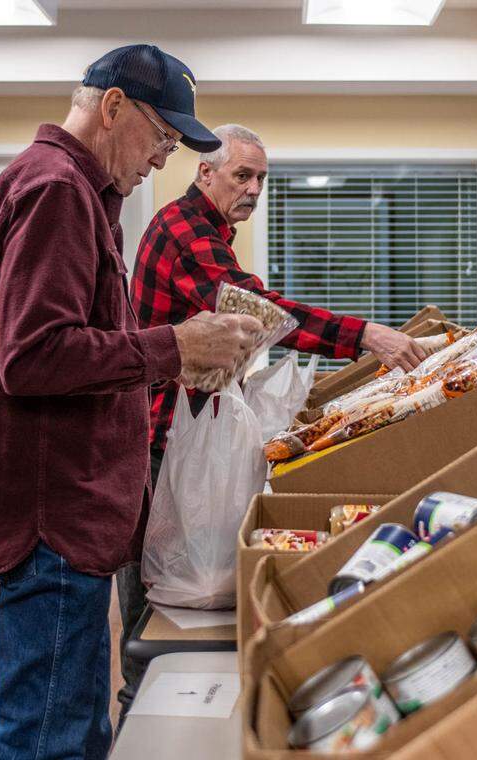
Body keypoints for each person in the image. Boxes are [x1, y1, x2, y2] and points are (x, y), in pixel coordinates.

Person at [0, 45, 261, 760]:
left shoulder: (73, 190)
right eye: (163, 140)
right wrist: (175, 348)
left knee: (72, 724)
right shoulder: (57, 189)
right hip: (52, 518)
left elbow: (75, 342)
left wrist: (169, 350)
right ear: (113, 109)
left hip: (63, 512)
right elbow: (36, 355)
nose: (163, 161)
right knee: (50, 732)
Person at [119, 122, 425, 717]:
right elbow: (256, 312)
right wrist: (364, 335)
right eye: (242, 175)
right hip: (157, 440)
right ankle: (138, 723)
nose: (255, 188)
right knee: (151, 615)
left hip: (178, 435)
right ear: (205, 173)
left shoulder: (211, 229)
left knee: (174, 604)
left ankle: (163, 714)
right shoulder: (184, 230)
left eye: (262, 177)